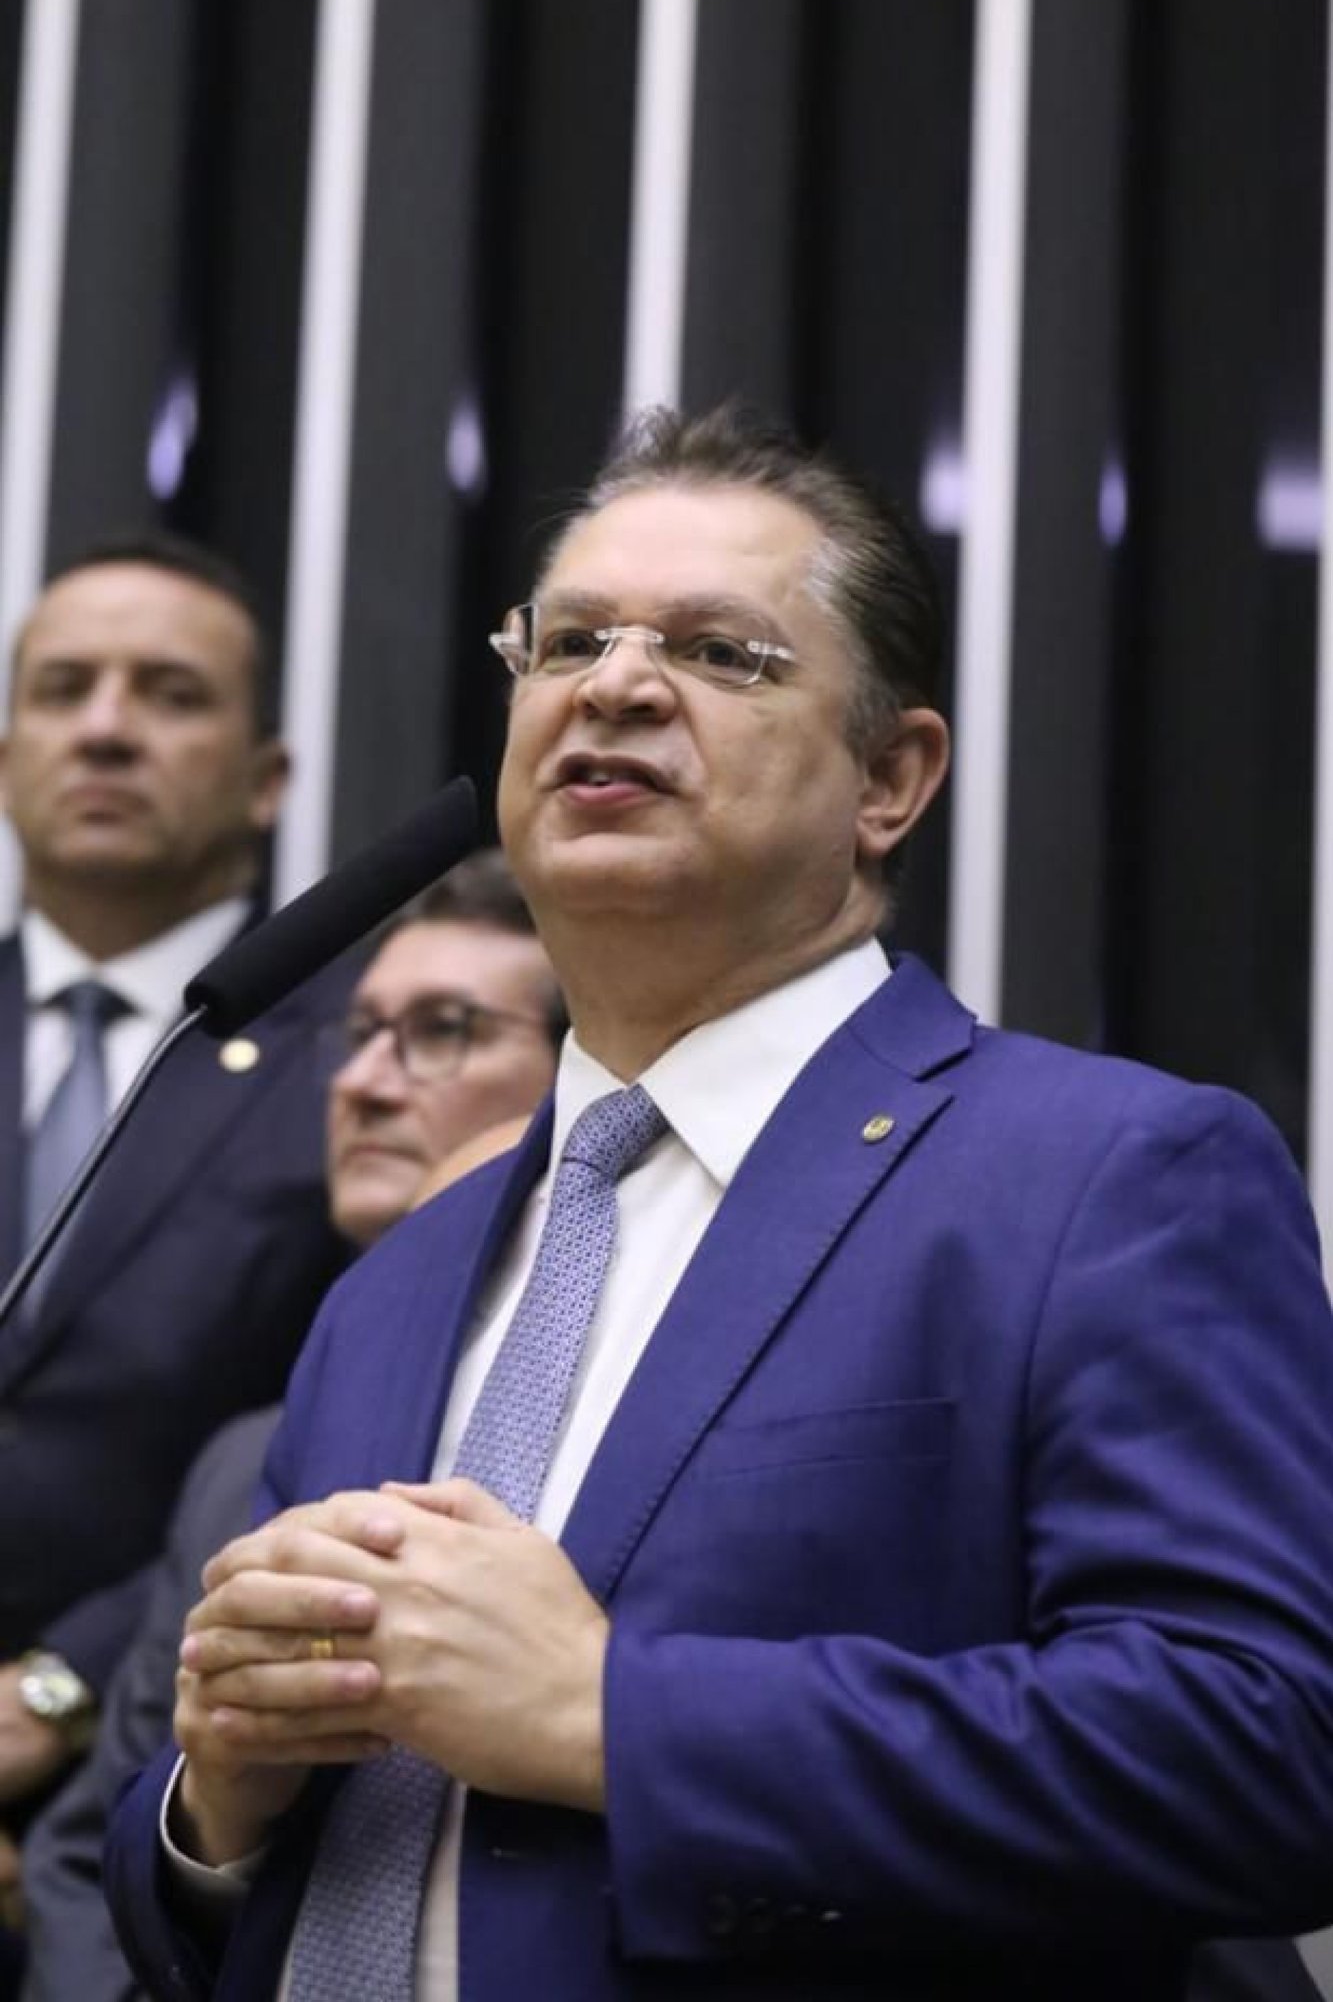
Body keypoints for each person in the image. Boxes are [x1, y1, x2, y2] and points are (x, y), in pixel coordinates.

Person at [107, 407, 1333, 2001]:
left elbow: (1261, 1751)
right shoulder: (391, 1285)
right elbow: (212, 1907)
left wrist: (612, 1716)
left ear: (888, 778)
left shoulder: (1107, 1177)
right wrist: (218, 1806)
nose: (613, 684)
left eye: (718, 653)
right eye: (568, 643)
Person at [17, 852, 562, 2002]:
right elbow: (93, 1853)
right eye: (358, 1034)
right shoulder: (242, 1458)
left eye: (444, 1031)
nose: (362, 1082)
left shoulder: (600, 1422)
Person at [0, 533, 350, 1852]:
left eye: (171, 694)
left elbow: (333, 1439)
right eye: (64, 689)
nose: (106, 729)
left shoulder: (362, 1057)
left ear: (266, 782)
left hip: (169, 1778)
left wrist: (60, 1688)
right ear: (7, 758)